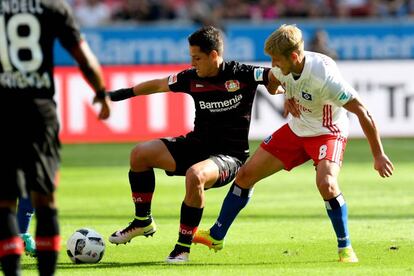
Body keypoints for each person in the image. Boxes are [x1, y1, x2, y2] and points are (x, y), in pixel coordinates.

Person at [193, 24, 394, 263]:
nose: (273, 65)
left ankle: (345, 247)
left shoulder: (325, 77)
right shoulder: (284, 65)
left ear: (295, 57)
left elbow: (363, 113)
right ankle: (217, 235)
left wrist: (378, 155)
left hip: (327, 132)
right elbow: (276, 83)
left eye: (276, 60)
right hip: (297, 129)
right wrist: (288, 97)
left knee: (327, 184)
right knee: (245, 175)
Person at [106, 26, 276, 263]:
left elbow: (275, 76)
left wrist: (288, 93)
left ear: (214, 55)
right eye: (191, 58)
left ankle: (182, 248)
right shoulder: (191, 78)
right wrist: (117, 95)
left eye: (197, 58)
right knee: (139, 154)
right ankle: (142, 221)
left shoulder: (242, 73)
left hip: (230, 155)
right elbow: (157, 85)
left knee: (195, 175)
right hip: (196, 145)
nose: (192, 63)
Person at [0, 0, 110, 275]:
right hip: (38, 110)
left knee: (4, 201)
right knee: (45, 199)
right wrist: (101, 92)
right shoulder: (53, 7)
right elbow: (83, 57)